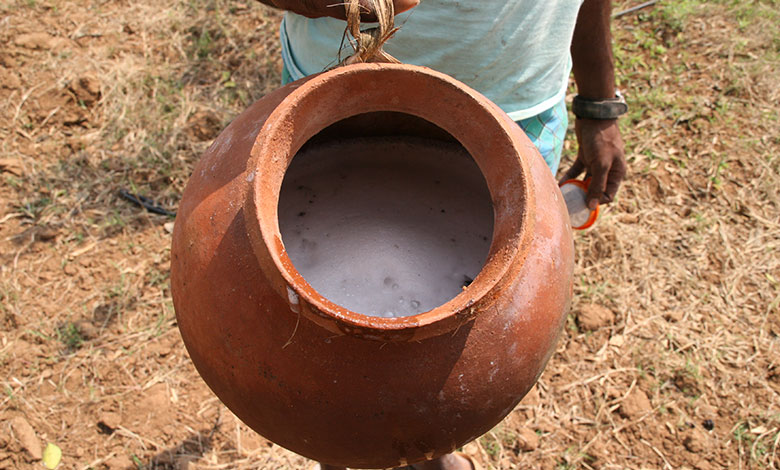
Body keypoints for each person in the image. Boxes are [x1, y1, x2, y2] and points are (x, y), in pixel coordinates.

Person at [255, 1, 627, 469]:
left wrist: (599, 103)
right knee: (326, 356)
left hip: (519, 102)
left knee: (467, 333)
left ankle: (428, 447)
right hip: (332, 81)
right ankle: (341, 447)